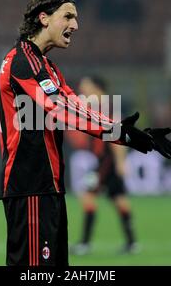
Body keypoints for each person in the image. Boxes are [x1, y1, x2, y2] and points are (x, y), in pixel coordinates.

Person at [0, 0, 171, 267]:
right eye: (68, 16)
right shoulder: (24, 61)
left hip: (47, 186)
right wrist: (124, 134)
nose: (76, 25)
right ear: (44, 18)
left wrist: (134, 135)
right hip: (31, 186)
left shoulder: (46, 66)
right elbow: (62, 108)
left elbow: (80, 107)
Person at [68, 76, 139, 255]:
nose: (82, 89)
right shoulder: (96, 107)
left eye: (85, 86)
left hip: (106, 161)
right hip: (105, 161)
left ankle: (84, 244)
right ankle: (132, 243)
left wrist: (121, 161)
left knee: (88, 196)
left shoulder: (106, 107)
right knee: (119, 200)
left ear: (97, 88)